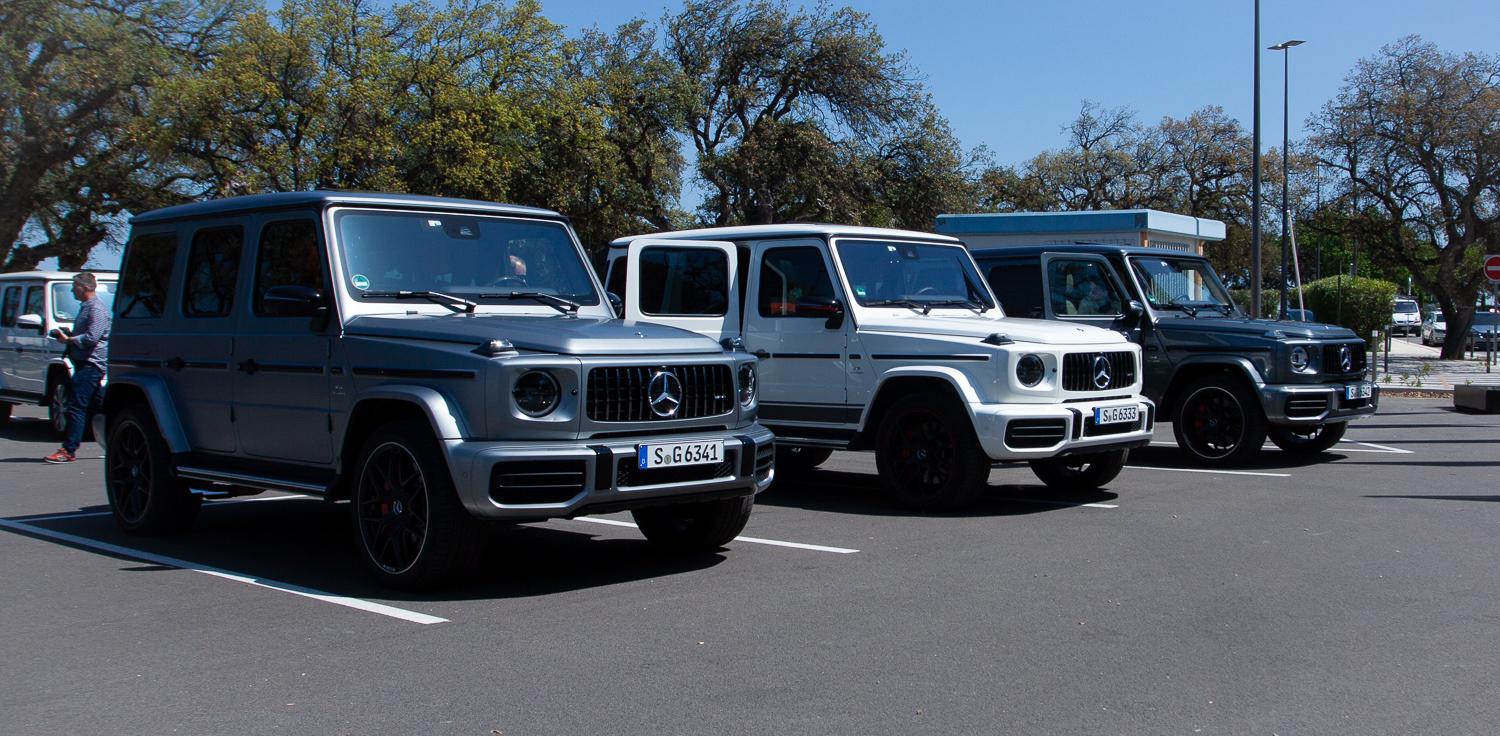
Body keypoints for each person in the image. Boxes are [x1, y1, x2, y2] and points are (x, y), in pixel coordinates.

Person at [44, 273, 110, 464]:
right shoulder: (86, 307)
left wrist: (69, 340)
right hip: (84, 363)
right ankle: (116, 442)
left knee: (76, 406)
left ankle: (68, 450)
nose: (72, 290)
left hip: (91, 364)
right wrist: (70, 335)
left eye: (75, 286)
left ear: (85, 287)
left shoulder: (96, 309)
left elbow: (91, 338)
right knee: (101, 407)